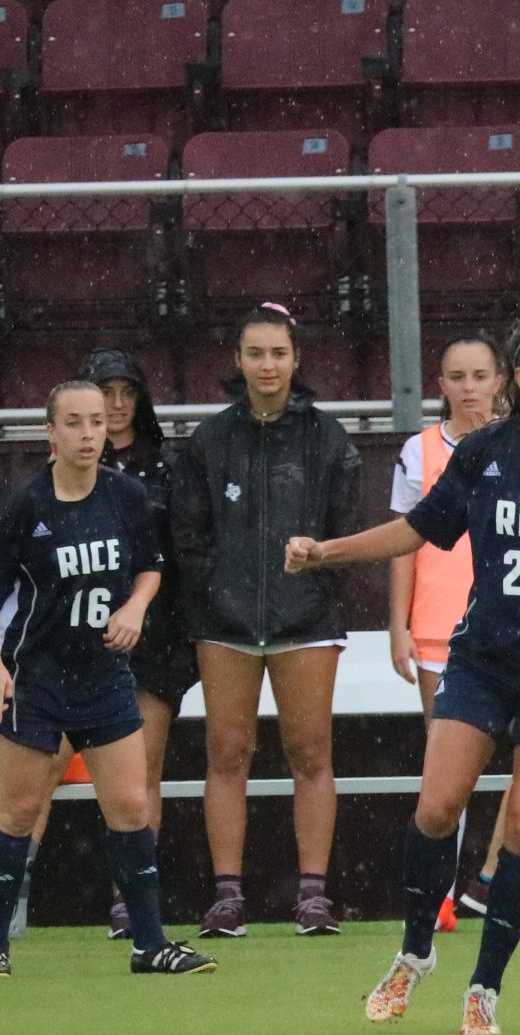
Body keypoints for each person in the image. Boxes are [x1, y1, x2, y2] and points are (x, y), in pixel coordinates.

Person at [283, 312, 520, 1035]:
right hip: (482, 661)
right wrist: (329, 551)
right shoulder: (483, 453)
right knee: (437, 807)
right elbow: (420, 527)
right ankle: (415, 951)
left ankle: (486, 985)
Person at [0, 379, 213, 979]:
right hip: (39, 679)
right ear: (49, 431)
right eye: (73, 422)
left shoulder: (126, 496)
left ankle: (148, 943)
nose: (87, 434)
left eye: (97, 422)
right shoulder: (25, 505)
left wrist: (134, 608)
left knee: (130, 804)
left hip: (104, 676)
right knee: (19, 809)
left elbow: (151, 566)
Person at [172, 303, 361, 938]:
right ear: (237, 360)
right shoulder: (209, 440)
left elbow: (346, 536)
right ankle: (228, 895)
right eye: (255, 353)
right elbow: (190, 539)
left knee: (310, 753)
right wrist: (216, 596)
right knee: (227, 754)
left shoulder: (328, 440)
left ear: (296, 358)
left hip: (306, 622)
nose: (267, 365)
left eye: (278, 353)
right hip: (224, 625)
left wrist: (312, 582)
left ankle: (313, 895)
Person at [385, 334, 504, 933]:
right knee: (447, 771)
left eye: (479, 375)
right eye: (457, 376)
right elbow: (405, 543)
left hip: (513, 629)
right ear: (441, 384)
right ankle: (444, 894)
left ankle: (500, 879)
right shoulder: (420, 451)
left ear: (500, 381)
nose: (468, 388)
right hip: (439, 630)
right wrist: (398, 625)